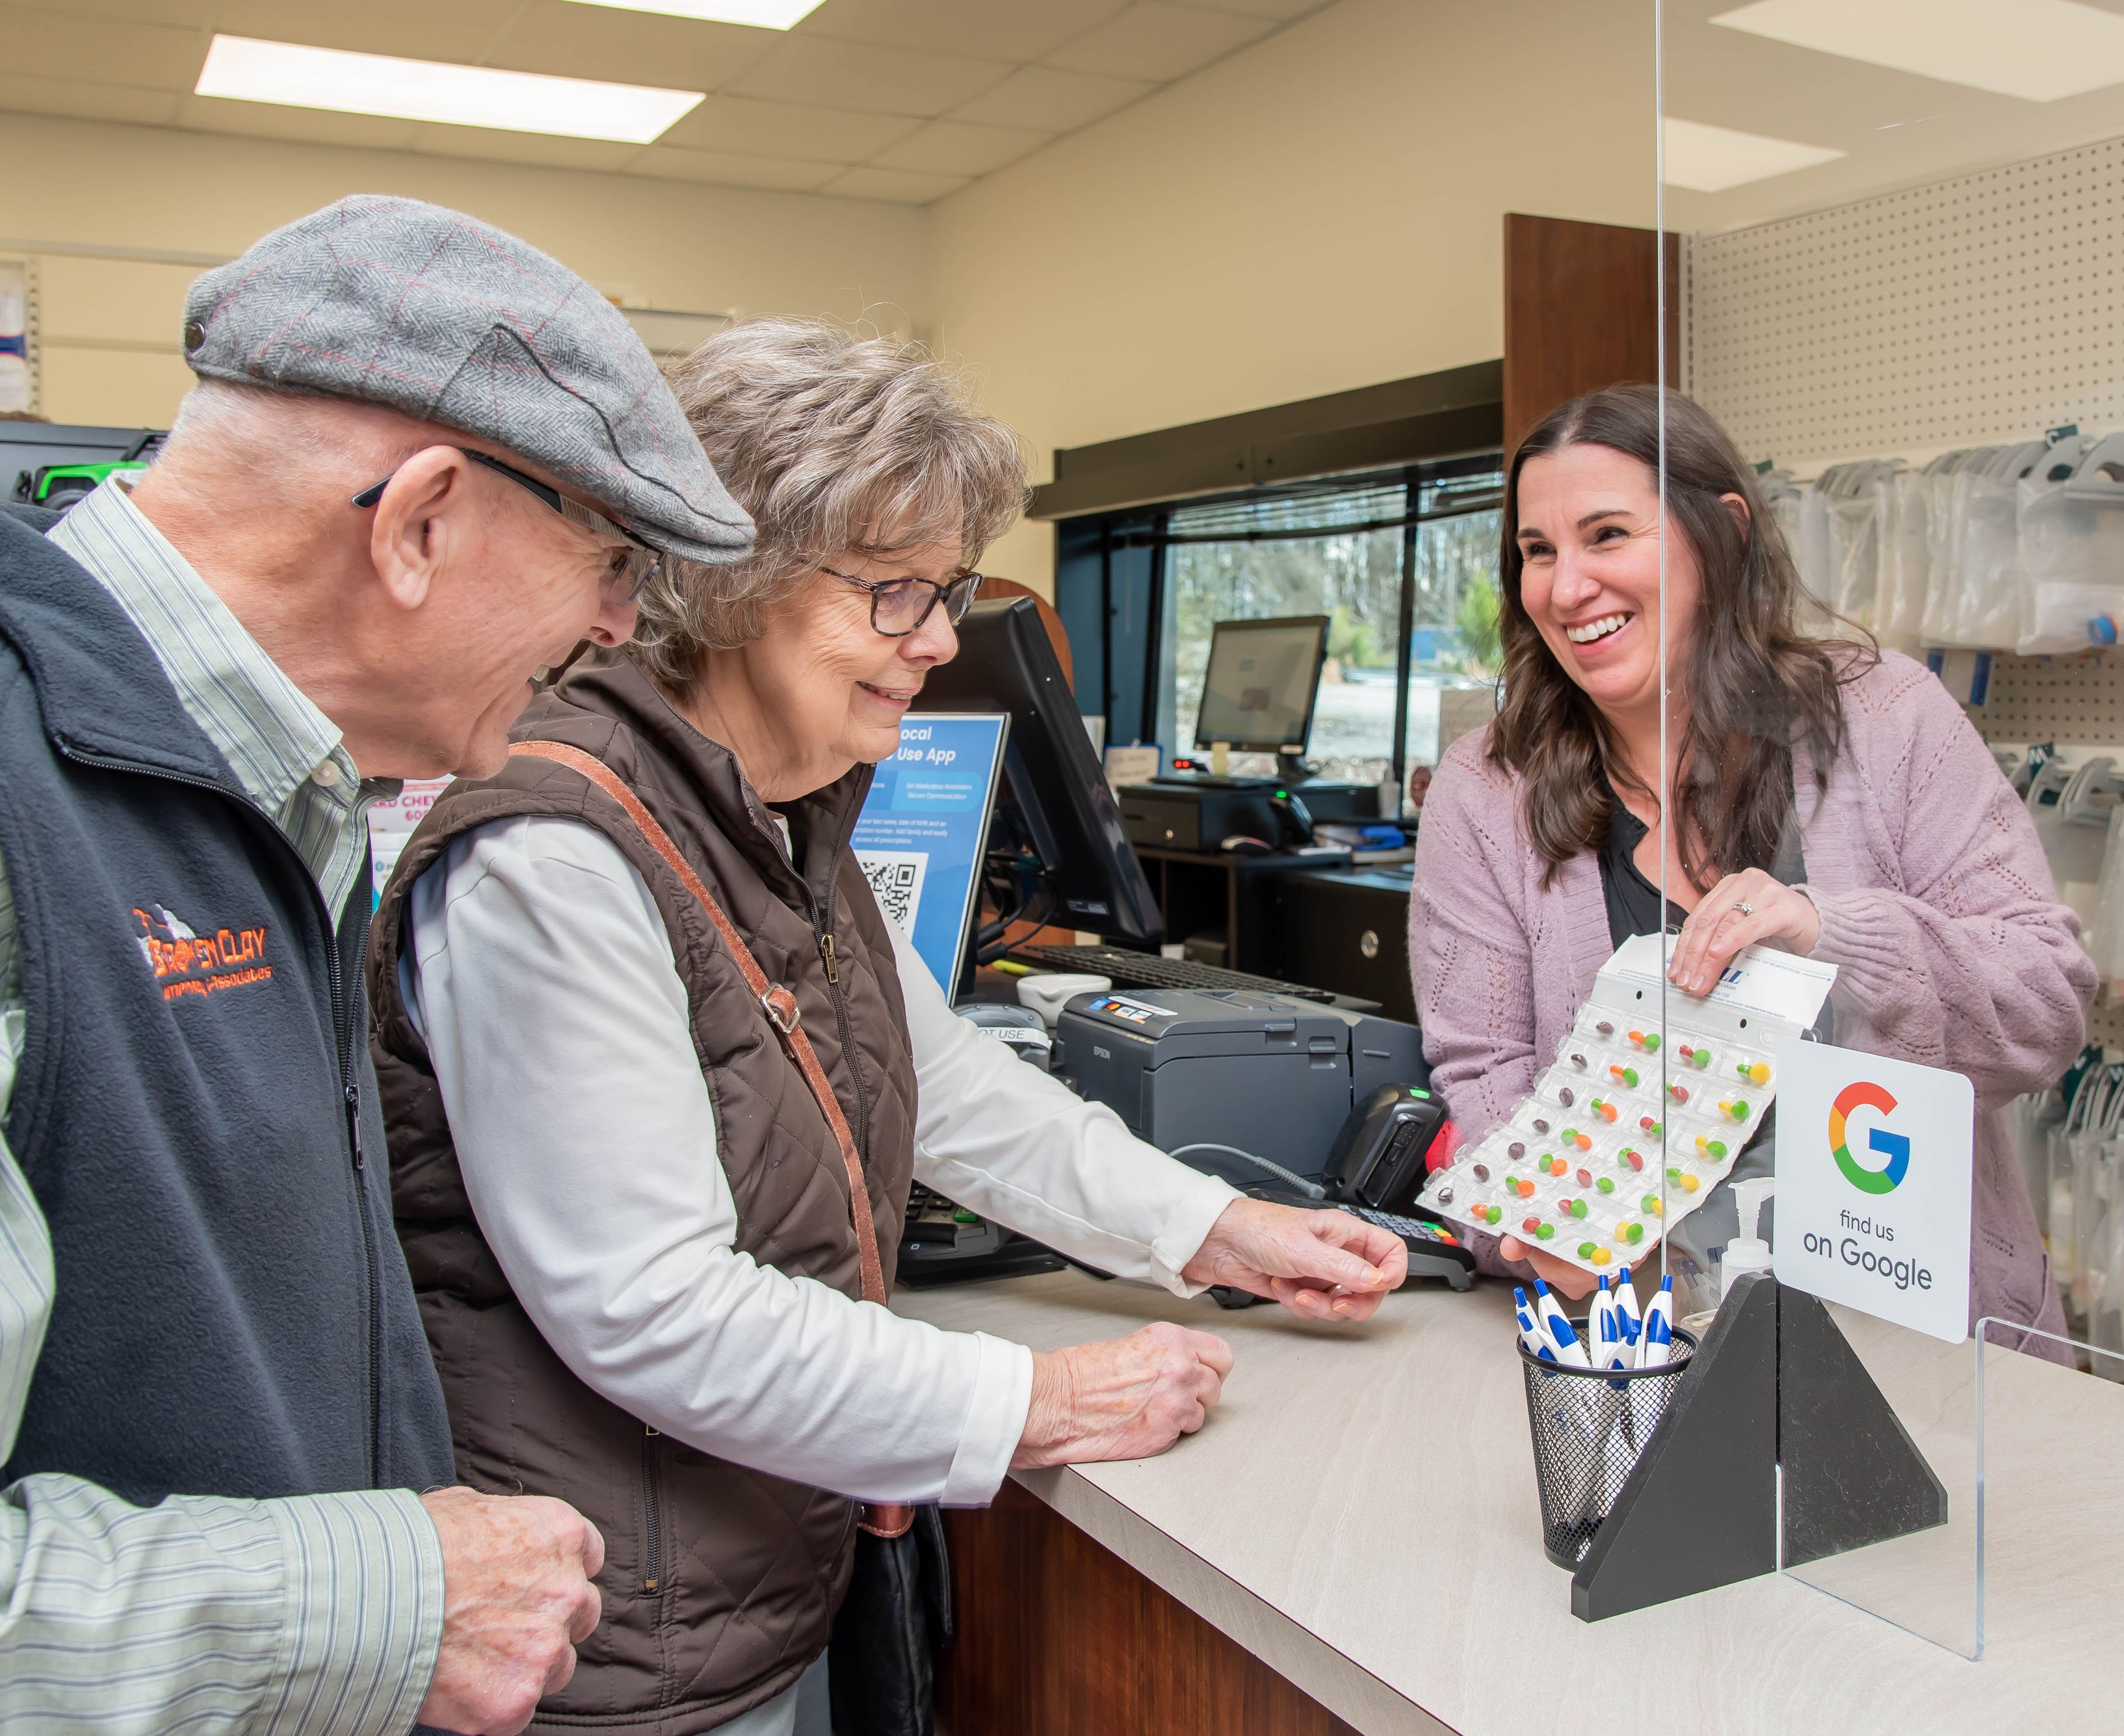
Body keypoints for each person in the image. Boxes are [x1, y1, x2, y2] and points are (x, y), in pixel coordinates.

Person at [368, 317, 1409, 1735]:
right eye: (891, 596)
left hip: (749, 1570)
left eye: (947, 591)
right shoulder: (558, 858)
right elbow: (653, 1309)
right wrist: (1031, 1399)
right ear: (727, 579)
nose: (934, 645)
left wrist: (1215, 1229)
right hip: (611, 1633)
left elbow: (940, 1075)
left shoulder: (776, 814)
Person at [0, 194, 758, 1731]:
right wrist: (382, 1602)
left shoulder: (275, 796)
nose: (612, 629)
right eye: (607, 562)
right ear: (420, 519)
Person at [1408, 384, 2095, 1337]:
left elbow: (2046, 1006)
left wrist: (1832, 934)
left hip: (1923, 1356)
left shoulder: (1890, 719)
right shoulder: (1486, 793)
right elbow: (1486, 1081)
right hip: (1640, 1360)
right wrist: (1545, 1223)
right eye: (1537, 551)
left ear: (1722, 535)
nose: (1566, 587)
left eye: (1607, 534)